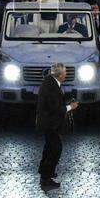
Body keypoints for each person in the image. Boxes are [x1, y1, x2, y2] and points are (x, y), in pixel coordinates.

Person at [35, 62, 77, 190]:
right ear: (59, 74)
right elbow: (55, 108)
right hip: (50, 124)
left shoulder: (49, 82)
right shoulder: (52, 86)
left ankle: (45, 174)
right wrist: (71, 107)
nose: (66, 75)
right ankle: (47, 176)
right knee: (55, 149)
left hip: (48, 123)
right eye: (64, 73)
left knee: (49, 148)